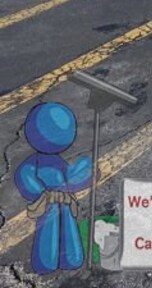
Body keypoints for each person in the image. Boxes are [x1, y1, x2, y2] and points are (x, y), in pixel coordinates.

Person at [14, 103, 92, 274]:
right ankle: (46, 262)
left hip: (62, 200)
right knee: (49, 228)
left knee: (68, 227)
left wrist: (85, 170)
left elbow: (70, 176)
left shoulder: (58, 162)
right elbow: (25, 174)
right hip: (48, 201)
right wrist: (39, 192)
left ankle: (71, 258)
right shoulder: (35, 162)